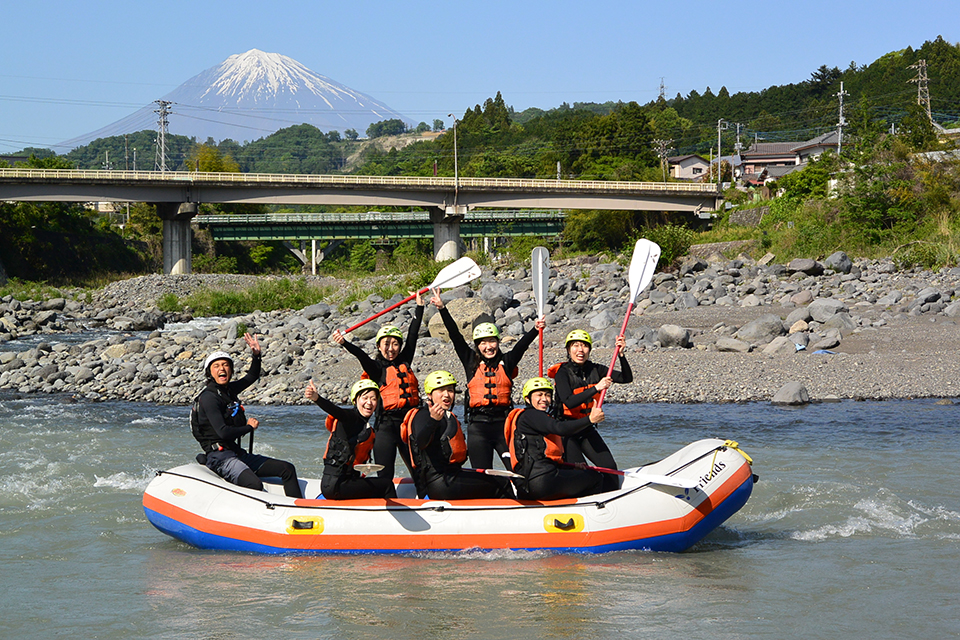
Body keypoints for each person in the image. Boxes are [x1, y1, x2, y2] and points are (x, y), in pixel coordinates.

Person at [430, 290, 544, 470]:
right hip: (478, 428)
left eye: (491, 341)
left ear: (498, 342)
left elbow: (522, 346)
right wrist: (442, 309)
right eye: (483, 342)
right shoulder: (470, 362)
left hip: (503, 426)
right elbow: (455, 336)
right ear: (477, 345)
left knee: (517, 469)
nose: (488, 346)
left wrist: (535, 329)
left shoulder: (506, 362)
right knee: (482, 472)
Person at [190, 333, 303, 499]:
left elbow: (251, 376)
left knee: (287, 469)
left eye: (226, 365)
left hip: (235, 452)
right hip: (219, 457)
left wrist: (256, 355)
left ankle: (298, 510)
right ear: (210, 373)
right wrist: (249, 427)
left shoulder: (228, 390)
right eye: (217, 366)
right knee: (254, 485)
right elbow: (223, 432)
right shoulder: (209, 397)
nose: (222, 369)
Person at [331, 291, 425, 479]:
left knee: (420, 471)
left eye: (395, 344)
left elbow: (413, 334)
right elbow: (360, 355)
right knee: (384, 473)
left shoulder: (405, 360)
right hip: (386, 426)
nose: (391, 349)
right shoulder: (375, 368)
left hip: (409, 424)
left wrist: (420, 307)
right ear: (379, 346)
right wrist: (344, 343)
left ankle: (427, 500)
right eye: (386, 344)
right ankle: (386, 500)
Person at [400, 370, 513, 500]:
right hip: (441, 483)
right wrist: (433, 421)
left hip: (448, 477)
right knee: (502, 484)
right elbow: (420, 442)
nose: (446, 395)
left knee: (488, 479)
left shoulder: (444, 416)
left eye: (450, 390)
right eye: (441, 391)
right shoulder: (424, 415)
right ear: (429, 395)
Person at [505, 377, 617, 501]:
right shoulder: (532, 414)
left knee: (576, 475)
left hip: (526, 486)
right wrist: (589, 420)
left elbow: (539, 454)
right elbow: (560, 428)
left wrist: (570, 466)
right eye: (539, 395)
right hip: (543, 481)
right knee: (595, 478)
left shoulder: (526, 418)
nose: (544, 399)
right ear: (527, 399)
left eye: (547, 395)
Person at [549, 330, 632, 470]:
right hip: (566, 430)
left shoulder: (596, 369)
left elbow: (626, 378)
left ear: (589, 350)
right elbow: (568, 401)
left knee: (610, 467)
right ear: (568, 350)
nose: (580, 350)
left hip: (586, 428)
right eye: (575, 345)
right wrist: (596, 388)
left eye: (584, 346)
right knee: (581, 470)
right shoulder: (562, 373)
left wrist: (621, 355)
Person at [304, 379, 397, 500]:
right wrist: (317, 398)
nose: (369, 402)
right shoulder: (350, 417)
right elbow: (336, 411)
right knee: (387, 485)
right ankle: (399, 515)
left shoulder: (364, 424)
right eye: (365, 398)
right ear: (355, 400)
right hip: (337, 485)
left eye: (373, 399)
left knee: (375, 485)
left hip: (344, 481)